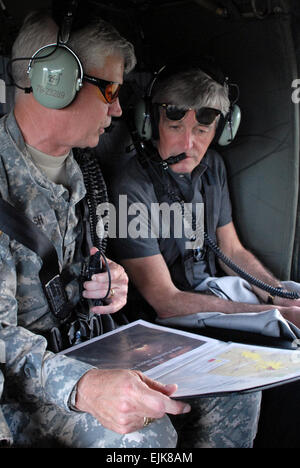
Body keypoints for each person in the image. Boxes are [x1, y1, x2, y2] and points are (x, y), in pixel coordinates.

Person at [0, 10, 191, 448]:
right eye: (109, 90)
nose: (119, 109)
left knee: (233, 393)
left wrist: (109, 280)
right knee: (145, 440)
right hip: (24, 385)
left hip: (82, 348)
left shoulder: (83, 171)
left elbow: (80, 267)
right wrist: (85, 387)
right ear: (54, 82)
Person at [108, 63, 300, 447]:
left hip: (216, 304)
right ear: (151, 122)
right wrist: (271, 313)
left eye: (201, 130)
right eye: (175, 127)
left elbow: (231, 250)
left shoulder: (211, 167)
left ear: (220, 132)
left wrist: (280, 294)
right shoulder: (133, 185)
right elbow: (165, 301)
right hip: (165, 325)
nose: (188, 145)